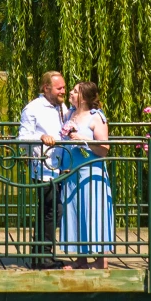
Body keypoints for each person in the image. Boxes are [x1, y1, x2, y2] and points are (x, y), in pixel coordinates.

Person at [55, 80, 114, 269]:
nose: (70, 93)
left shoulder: (96, 117)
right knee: (75, 211)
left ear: (84, 97)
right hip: (72, 174)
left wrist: (83, 139)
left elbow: (104, 148)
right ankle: (81, 260)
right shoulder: (69, 114)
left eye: (74, 91)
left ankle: (101, 260)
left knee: (94, 212)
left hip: (91, 174)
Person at [17, 70, 69, 265]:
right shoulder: (32, 109)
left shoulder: (61, 107)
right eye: (59, 88)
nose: (63, 91)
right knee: (51, 211)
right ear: (46, 88)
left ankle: (40, 254)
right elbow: (22, 140)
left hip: (61, 167)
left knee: (51, 211)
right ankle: (44, 256)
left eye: (64, 87)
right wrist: (41, 138)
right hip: (44, 169)